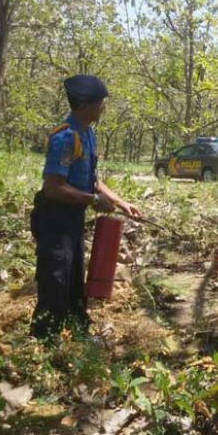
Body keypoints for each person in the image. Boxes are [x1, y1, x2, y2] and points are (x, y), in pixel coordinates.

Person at [30, 74, 142, 340]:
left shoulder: (88, 134)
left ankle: (77, 330)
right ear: (83, 105)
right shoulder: (65, 137)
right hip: (54, 217)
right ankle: (45, 338)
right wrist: (93, 201)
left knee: (73, 275)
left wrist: (119, 202)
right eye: (99, 103)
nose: (103, 108)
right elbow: (53, 187)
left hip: (73, 216)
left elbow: (93, 180)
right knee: (55, 277)